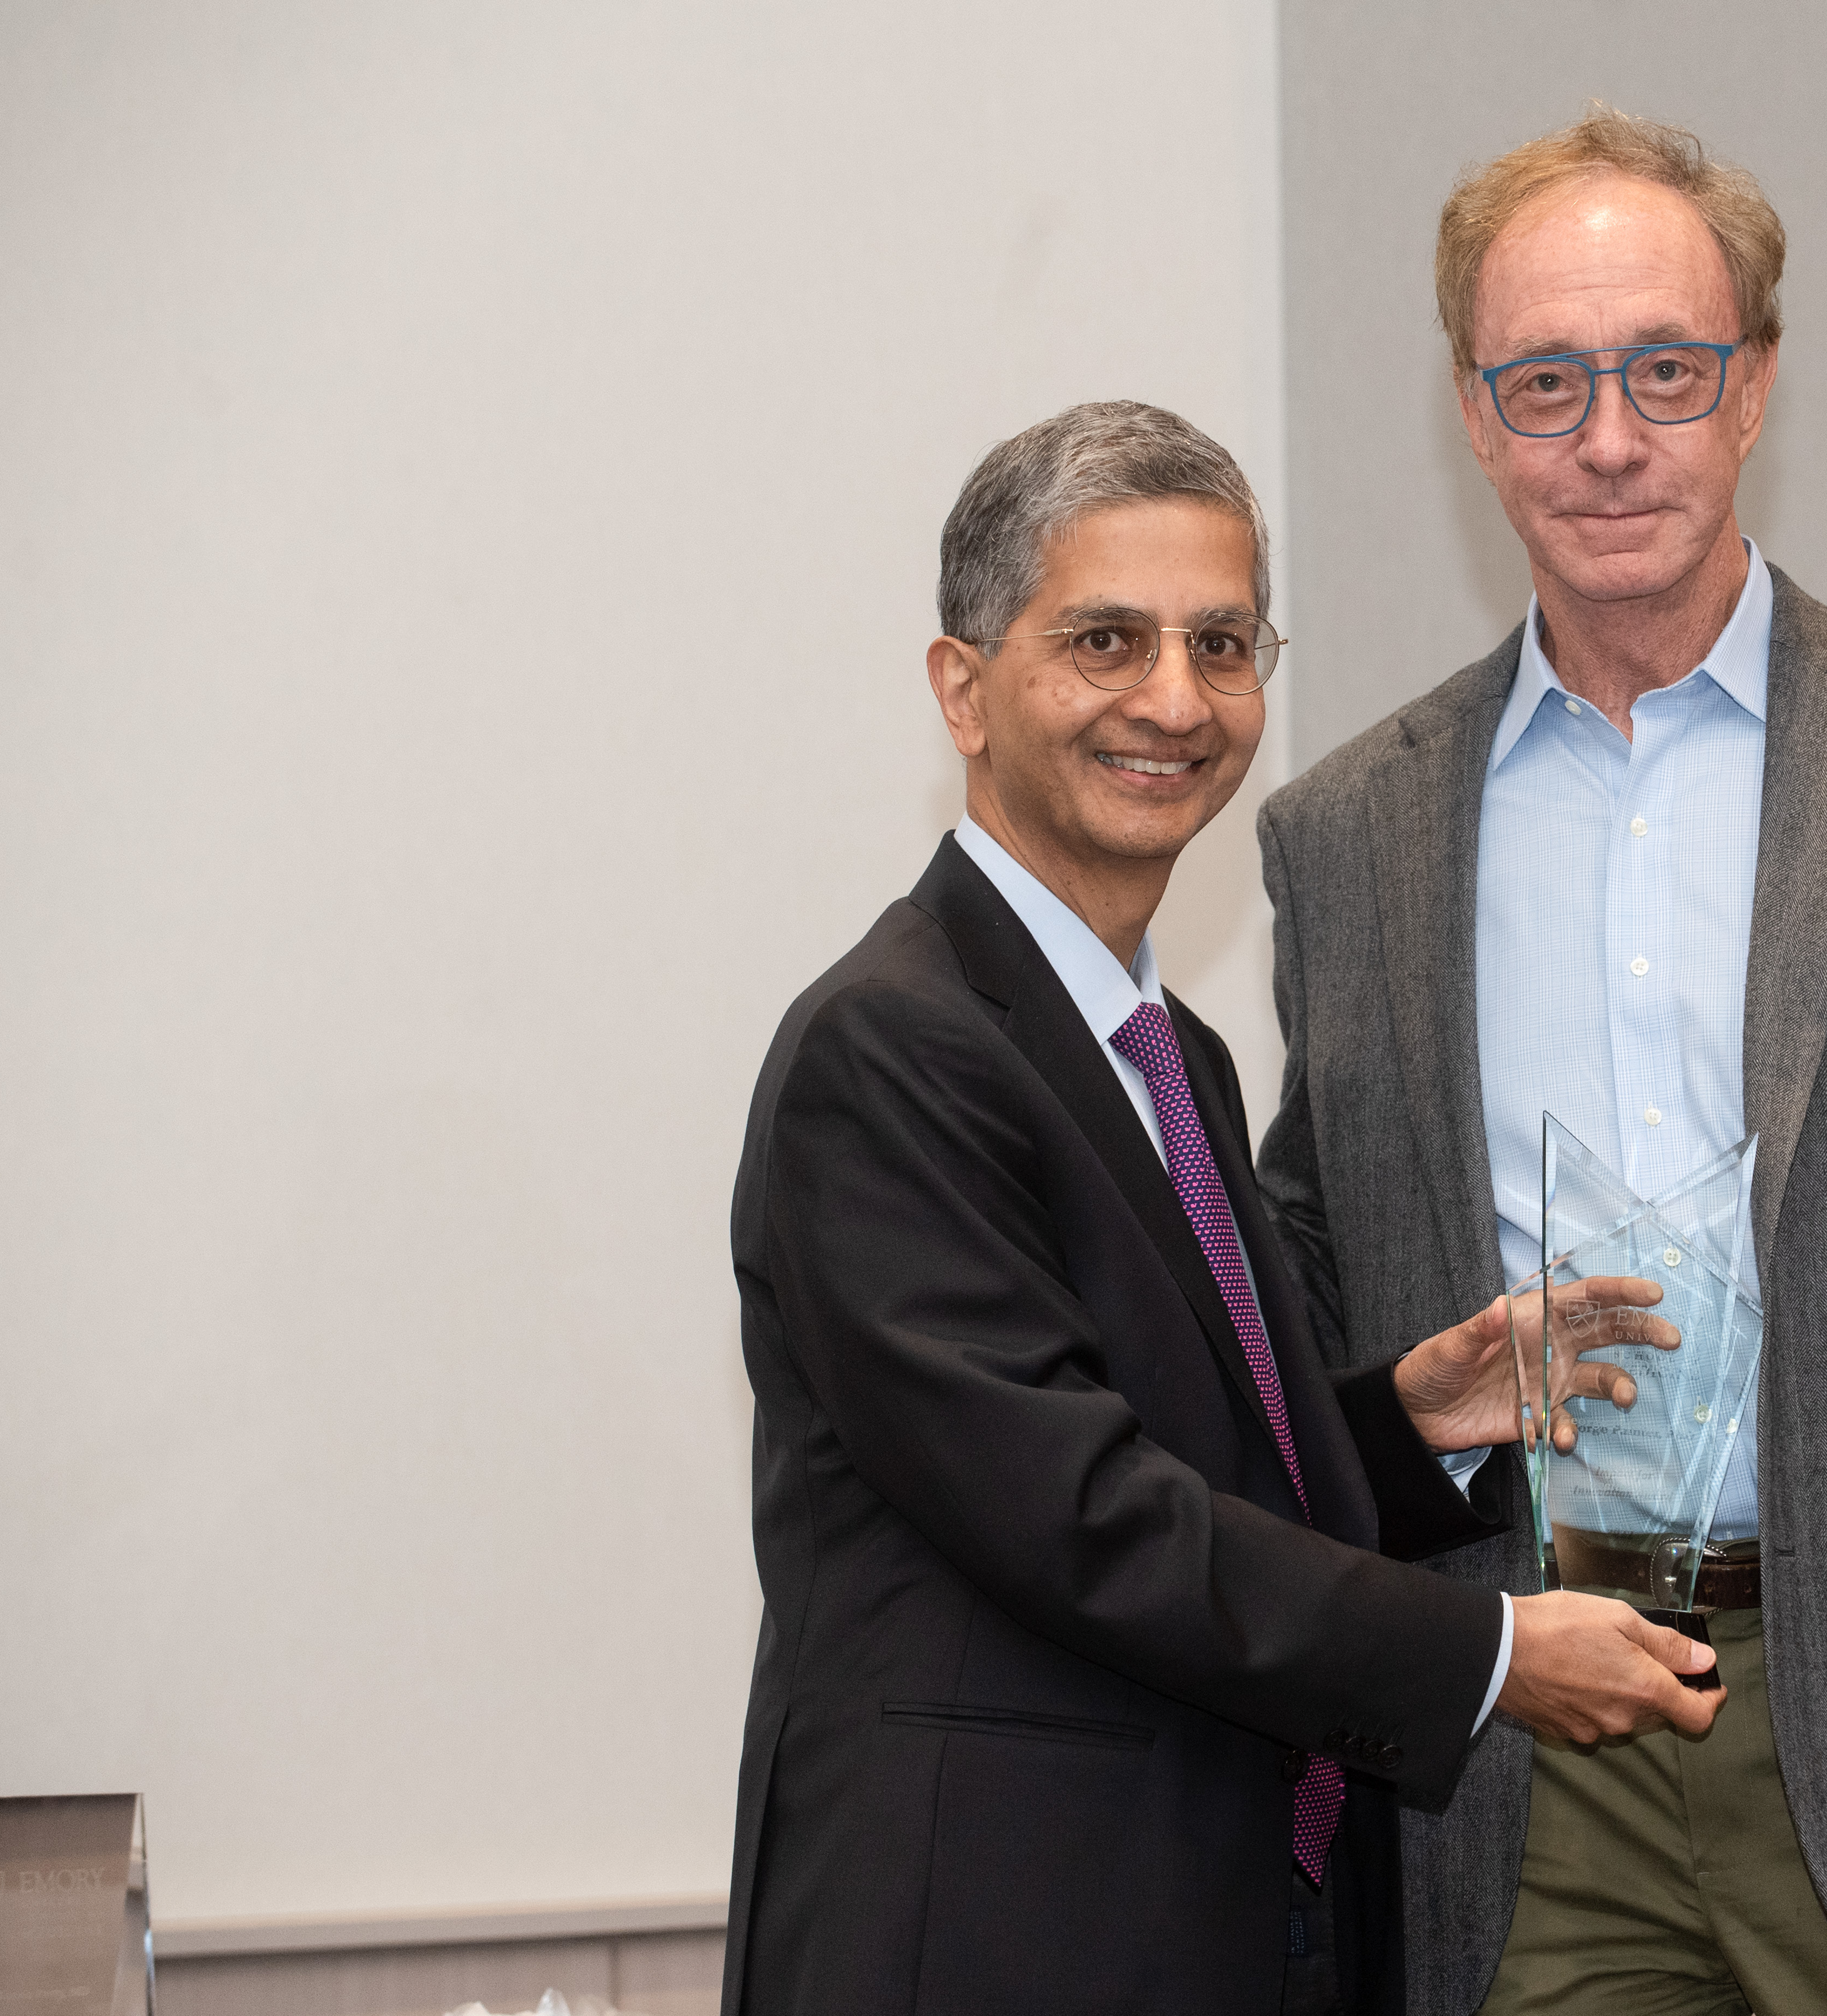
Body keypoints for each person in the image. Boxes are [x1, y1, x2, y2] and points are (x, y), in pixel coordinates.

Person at [1253, 110, 1827, 2016]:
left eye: (1666, 371)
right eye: (1547, 382)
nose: (1610, 439)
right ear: (1472, 410)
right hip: (1516, 1761)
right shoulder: (1348, 834)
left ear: (1754, 385)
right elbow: (1312, 1308)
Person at [719, 401, 1722, 2016]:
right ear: (962, 690)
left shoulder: (1167, 1049)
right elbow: (1085, 1516)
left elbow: (1192, 1459)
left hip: (1216, 1922)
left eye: (1223, 642)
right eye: (1106, 641)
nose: (1176, 702)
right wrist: (1486, 1656)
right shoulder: (890, 1049)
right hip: (991, 1939)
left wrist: (1409, 1425)